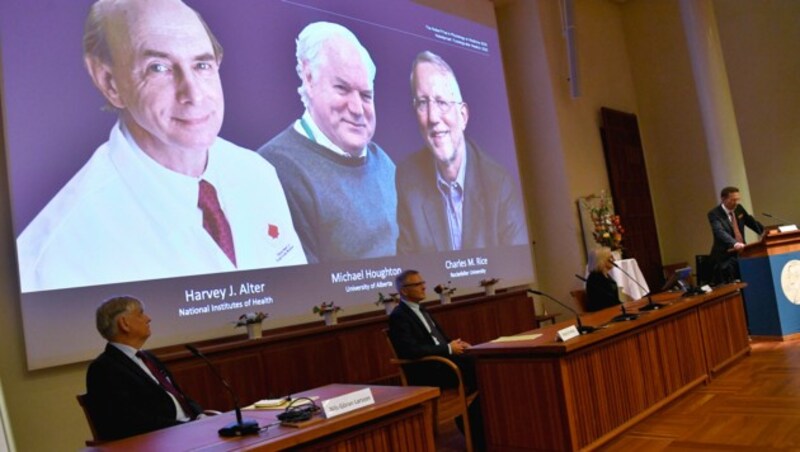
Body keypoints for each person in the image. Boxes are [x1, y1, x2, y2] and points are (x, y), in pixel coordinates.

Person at [16, 0, 306, 293]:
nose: (193, 94)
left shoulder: (257, 173)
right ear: (110, 83)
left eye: (201, 64)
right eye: (158, 68)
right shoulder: (55, 255)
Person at [258, 22, 397, 263]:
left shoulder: (382, 162)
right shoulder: (274, 168)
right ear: (309, 79)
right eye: (342, 89)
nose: (357, 109)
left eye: (366, 95)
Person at [396, 51, 528, 253]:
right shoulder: (407, 179)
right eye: (422, 103)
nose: (432, 117)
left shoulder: (499, 185)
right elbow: (407, 268)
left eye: (442, 102)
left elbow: (516, 264)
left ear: (463, 116)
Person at [85, 296, 203, 441]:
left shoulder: (149, 358)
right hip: (160, 440)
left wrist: (200, 415)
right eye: (141, 314)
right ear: (124, 324)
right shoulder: (104, 368)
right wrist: (184, 427)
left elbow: (179, 396)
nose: (148, 318)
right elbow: (129, 422)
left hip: (189, 430)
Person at [387, 269, 483, 447]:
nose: (424, 287)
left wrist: (456, 344)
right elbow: (410, 350)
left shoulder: (422, 309)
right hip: (428, 369)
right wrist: (447, 348)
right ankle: (469, 423)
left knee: (484, 365)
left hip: (443, 362)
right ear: (404, 291)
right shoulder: (399, 316)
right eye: (417, 284)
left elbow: (438, 339)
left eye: (423, 282)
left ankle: (472, 422)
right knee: (483, 373)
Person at [708, 186, 764, 284]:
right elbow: (719, 232)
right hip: (726, 257)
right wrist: (735, 243)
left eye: (737, 199)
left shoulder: (739, 209)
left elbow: (752, 223)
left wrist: (766, 233)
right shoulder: (714, 214)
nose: (736, 203)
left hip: (742, 253)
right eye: (733, 200)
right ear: (723, 199)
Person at [585, 247, 622, 312]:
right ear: (602, 260)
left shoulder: (605, 275)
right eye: (610, 257)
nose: (614, 259)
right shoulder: (595, 278)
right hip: (603, 314)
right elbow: (605, 302)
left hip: (612, 311)